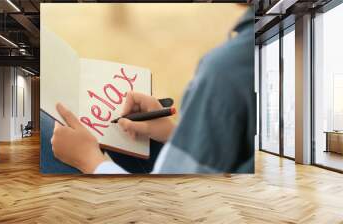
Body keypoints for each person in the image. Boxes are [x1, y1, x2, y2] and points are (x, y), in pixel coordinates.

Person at [50, 7, 255, 174]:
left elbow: (174, 206)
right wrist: (172, 133)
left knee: (50, 124)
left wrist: (90, 161)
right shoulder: (249, 52)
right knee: (119, 138)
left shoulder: (225, 68)